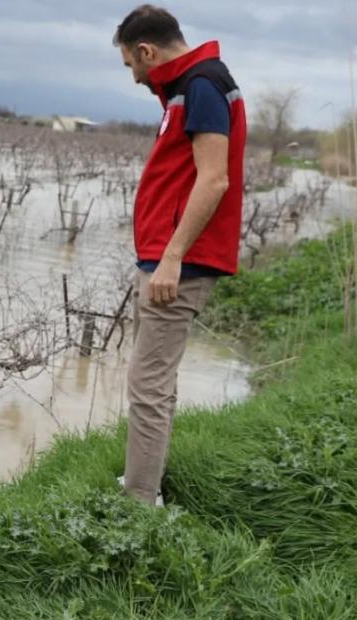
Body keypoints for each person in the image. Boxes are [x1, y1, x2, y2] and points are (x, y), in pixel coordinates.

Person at [113, 5, 247, 505]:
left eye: (131, 65)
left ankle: (138, 505)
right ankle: (141, 486)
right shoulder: (189, 88)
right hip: (166, 257)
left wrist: (171, 257)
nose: (135, 78)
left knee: (147, 383)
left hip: (179, 264)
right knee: (155, 379)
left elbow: (214, 178)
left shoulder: (202, 86)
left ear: (146, 51)